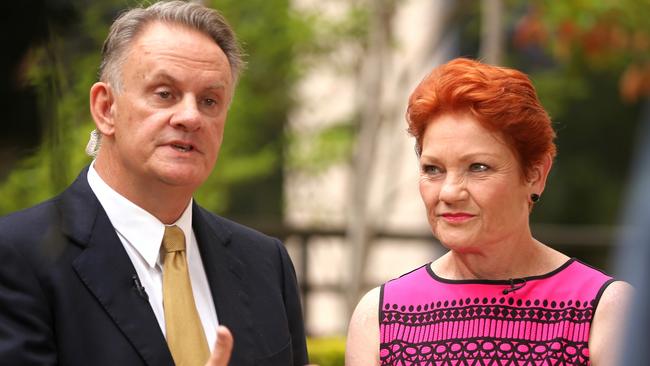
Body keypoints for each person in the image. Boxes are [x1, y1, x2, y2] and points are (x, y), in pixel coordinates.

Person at [0, 1, 308, 365]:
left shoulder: (266, 264)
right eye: (165, 94)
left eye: (210, 100)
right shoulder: (17, 257)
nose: (191, 116)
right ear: (105, 108)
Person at [346, 58, 632, 366]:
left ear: (536, 174)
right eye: (433, 169)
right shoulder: (381, 317)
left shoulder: (606, 312)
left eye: (478, 167)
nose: (450, 192)